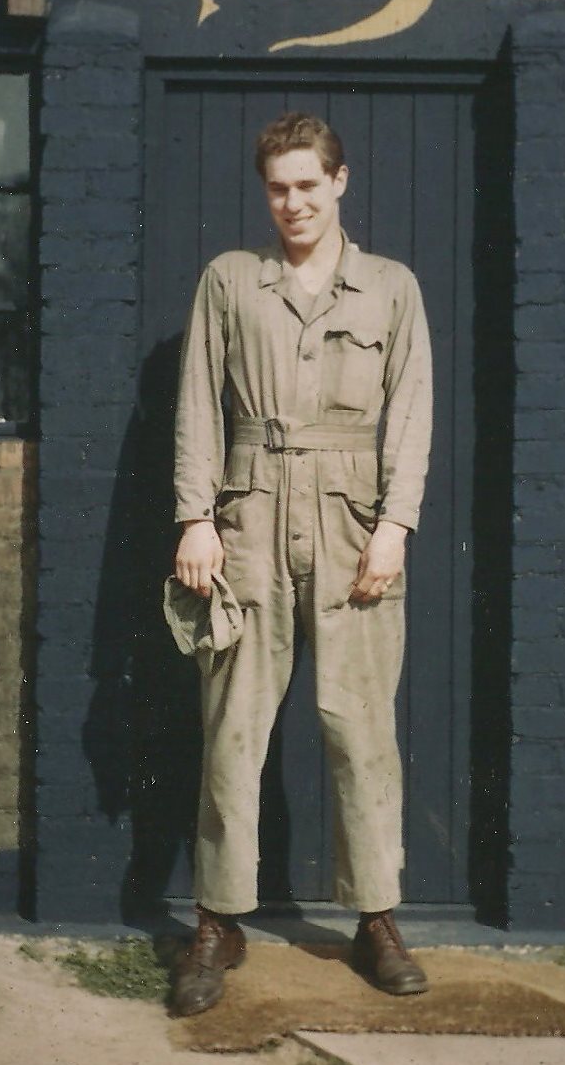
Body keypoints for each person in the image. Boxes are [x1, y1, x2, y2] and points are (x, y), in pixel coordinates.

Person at [169, 111, 434, 1016]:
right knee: (232, 727)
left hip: (352, 524)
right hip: (247, 519)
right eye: (278, 188)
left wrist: (395, 526)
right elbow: (198, 403)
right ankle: (218, 921)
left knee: (360, 726)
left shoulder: (390, 288)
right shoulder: (229, 282)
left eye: (308, 186)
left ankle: (375, 917)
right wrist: (194, 517)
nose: (293, 203)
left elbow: (411, 413)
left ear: (339, 182)